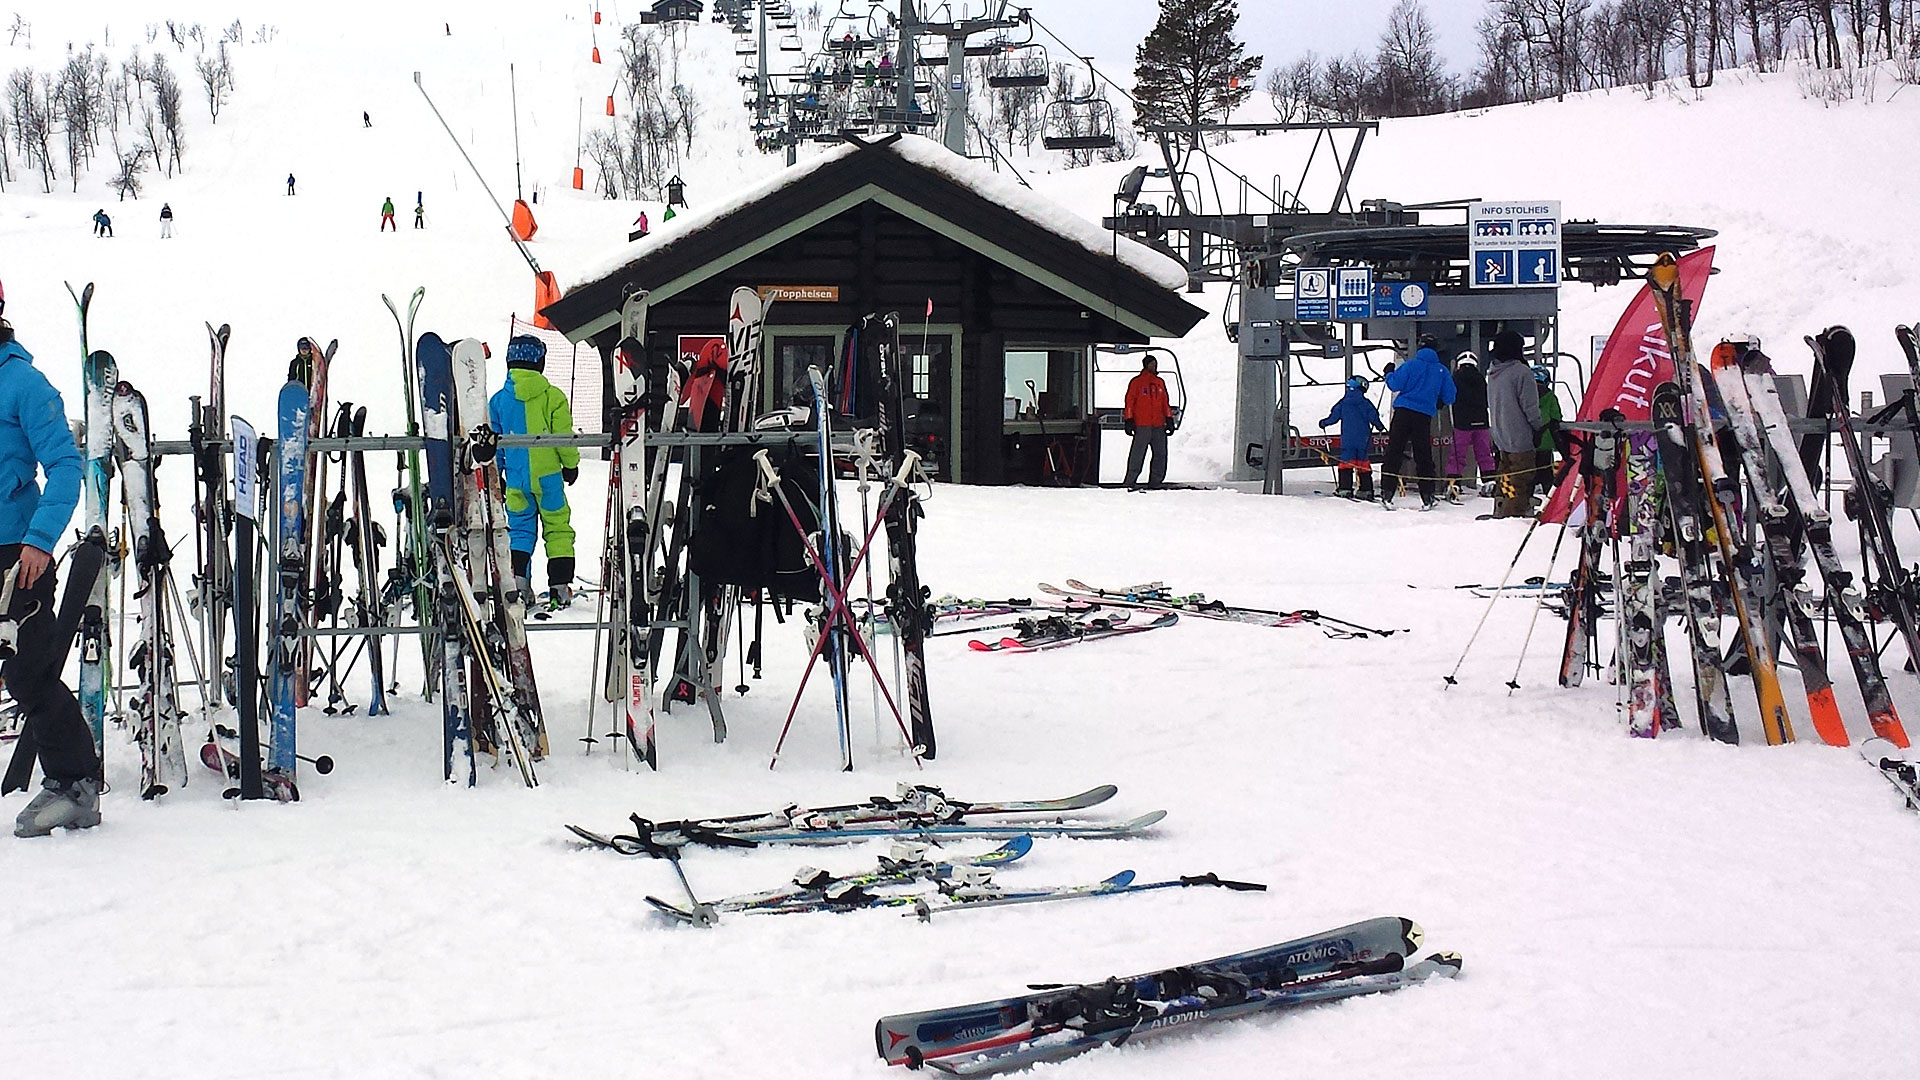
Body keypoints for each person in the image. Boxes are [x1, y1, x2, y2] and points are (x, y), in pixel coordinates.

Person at [0, 288, 95, 837]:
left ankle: (76, 783)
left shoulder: (24, 384)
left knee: (29, 676)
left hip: (18, 558)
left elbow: (65, 464)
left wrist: (39, 540)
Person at [489, 335, 581, 609]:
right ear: (540, 362)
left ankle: (519, 585)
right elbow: (564, 436)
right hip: (549, 477)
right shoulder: (553, 397)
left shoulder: (498, 402)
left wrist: (500, 474)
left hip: (517, 480)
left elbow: (496, 442)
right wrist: (570, 464)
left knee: (519, 531)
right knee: (558, 529)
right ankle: (560, 587)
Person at [1379, 338, 1456, 510]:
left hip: (1403, 412)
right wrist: (1438, 400)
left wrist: (1389, 373)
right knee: (1423, 455)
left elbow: (1394, 384)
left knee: (1394, 451)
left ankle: (1387, 492)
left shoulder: (1410, 365)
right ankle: (1428, 495)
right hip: (1423, 416)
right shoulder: (1441, 370)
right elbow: (1450, 396)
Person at [1486, 329, 1544, 519]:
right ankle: (1515, 513)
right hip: (1520, 435)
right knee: (1521, 477)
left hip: (1500, 433)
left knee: (1505, 476)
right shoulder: (1521, 372)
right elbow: (1530, 406)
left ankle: (1501, 506)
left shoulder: (1493, 373)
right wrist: (1538, 427)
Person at [1320, 375, 1384, 500]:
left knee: (1346, 463)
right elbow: (1374, 417)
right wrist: (1380, 427)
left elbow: (1334, 417)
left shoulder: (1343, 403)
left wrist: (1324, 423)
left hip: (1348, 439)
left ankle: (1345, 488)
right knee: (1363, 463)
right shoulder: (1365, 403)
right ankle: (1366, 489)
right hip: (1363, 439)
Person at [1445, 351, 1493, 501]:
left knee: (1458, 455)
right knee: (1484, 453)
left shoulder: (1456, 378)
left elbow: (1449, 396)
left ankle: (1454, 483)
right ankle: (1490, 481)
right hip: (1482, 422)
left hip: (1462, 423)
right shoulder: (1481, 379)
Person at [1121, 354, 1174, 490]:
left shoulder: (1159, 382)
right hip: (1142, 424)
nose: (1154, 366)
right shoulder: (1137, 382)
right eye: (1152, 364)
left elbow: (1164, 403)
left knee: (1160, 454)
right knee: (1138, 454)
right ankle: (1130, 481)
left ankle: (1156, 481)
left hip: (1157, 424)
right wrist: (1129, 419)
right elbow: (1130, 402)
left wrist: (1168, 419)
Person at [1533, 366, 1567, 495]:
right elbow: (1556, 417)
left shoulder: (1525, 395)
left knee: (1528, 471)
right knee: (1546, 469)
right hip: (1546, 439)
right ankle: (1550, 494)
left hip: (1527, 441)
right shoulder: (1550, 396)